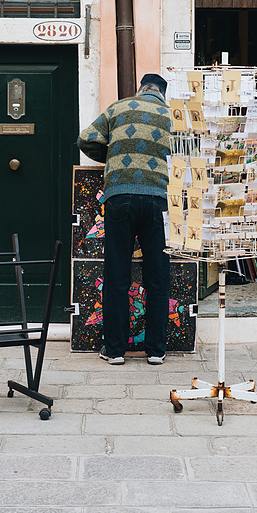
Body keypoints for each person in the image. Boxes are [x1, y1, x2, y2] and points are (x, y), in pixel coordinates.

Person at [77, 73, 171, 365]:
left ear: (141, 89)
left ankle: (115, 350)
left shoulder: (118, 108)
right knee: (157, 275)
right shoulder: (172, 116)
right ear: (162, 94)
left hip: (119, 198)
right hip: (158, 200)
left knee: (117, 275)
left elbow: (86, 138)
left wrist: (112, 156)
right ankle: (156, 350)